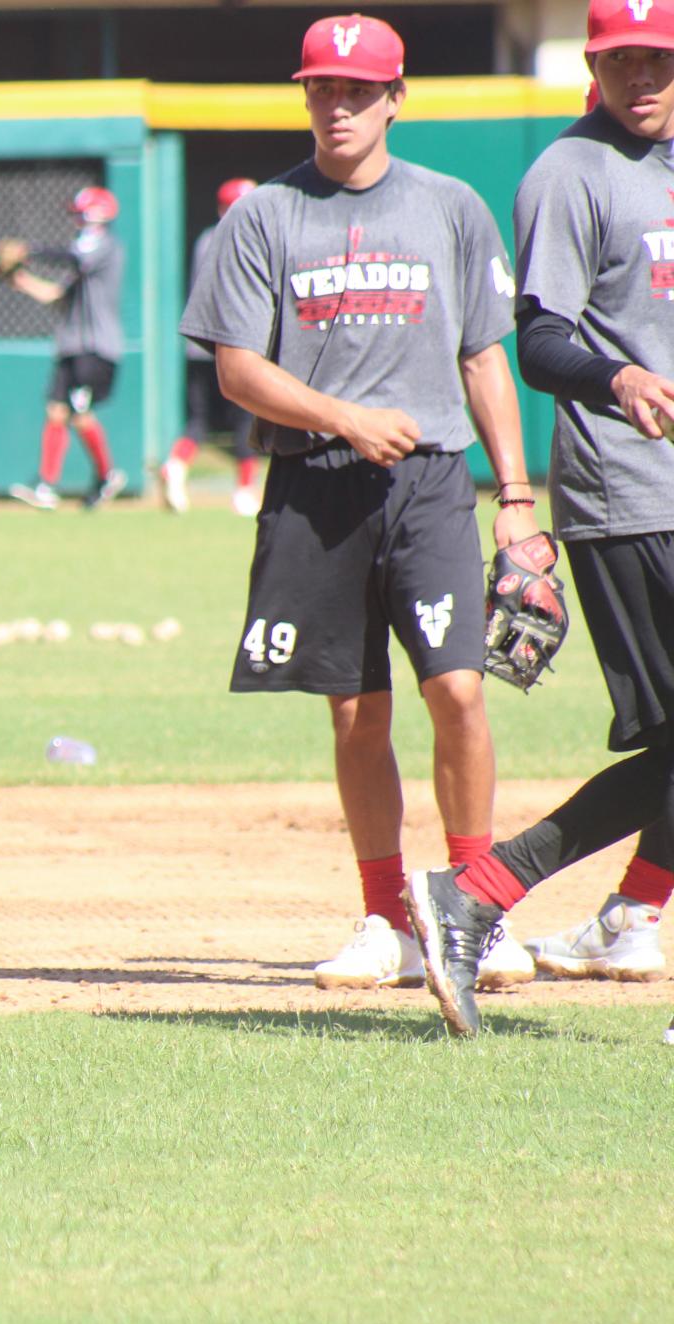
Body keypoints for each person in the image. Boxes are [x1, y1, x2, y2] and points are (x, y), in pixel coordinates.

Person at [178, 12, 540, 994]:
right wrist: (340, 416)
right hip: (314, 485)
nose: (334, 106)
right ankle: (384, 917)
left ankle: (472, 902)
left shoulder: (449, 207)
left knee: (457, 690)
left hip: (428, 480)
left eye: (354, 90)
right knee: (353, 711)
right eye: (319, 89)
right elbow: (236, 371)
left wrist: (513, 493)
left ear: (393, 98)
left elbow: (481, 356)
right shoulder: (263, 215)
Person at [407, 0, 674, 1035]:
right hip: (625, 490)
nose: (640, 78)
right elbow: (539, 340)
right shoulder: (567, 174)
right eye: (622, 61)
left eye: (656, 59)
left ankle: (557, 902)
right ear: (592, 66)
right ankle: (501, 894)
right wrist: (616, 377)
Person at [4, 186, 129, 511]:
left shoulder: (107, 247)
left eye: (79, 211)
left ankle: (107, 474)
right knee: (57, 412)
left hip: (96, 346)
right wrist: (20, 281)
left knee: (79, 412)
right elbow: (57, 297)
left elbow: (75, 257)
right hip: (72, 345)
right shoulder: (83, 259)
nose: (74, 217)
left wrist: (29, 251)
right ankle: (46, 484)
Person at [161, 178, 265, 517]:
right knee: (245, 420)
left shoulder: (206, 237)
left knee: (199, 420)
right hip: (234, 345)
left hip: (199, 347)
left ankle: (176, 465)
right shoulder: (242, 236)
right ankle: (244, 492)